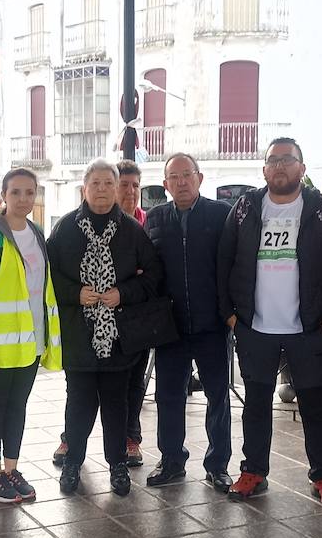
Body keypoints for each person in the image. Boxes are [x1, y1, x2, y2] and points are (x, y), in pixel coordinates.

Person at [219, 139, 322, 505]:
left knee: (315, 406)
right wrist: (231, 315)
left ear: (302, 169)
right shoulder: (245, 207)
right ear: (263, 170)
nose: (279, 166)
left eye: (287, 160)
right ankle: (253, 471)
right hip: (255, 327)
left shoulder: (321, 210)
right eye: (273, 160)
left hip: (307, 330)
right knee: (256, 404)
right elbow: (224, 261)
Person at [48, 159, 164, 497]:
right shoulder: (65, 229)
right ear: (84, 187)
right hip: (78, 335)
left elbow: (154, 275)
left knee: (117, 406)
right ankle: (73, 464)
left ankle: (117, 466)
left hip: (119, 338)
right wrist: (74, 293)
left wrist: (122, 293)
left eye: (108, 184)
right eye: (95, 183)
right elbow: (48, 277)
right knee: (79, 403)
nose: (101, 189)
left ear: (117, 189)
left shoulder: (132, 230)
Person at [0, 168, 62, 502]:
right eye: (16, 193)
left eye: (29, 192)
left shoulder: (36, 232)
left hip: (30, 343)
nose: (23, 199)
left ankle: (11, 469)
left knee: (18, 407)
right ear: (4, 195)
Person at [143, 153, 233, 490]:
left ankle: (218, 464)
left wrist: (231, 312)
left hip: (213, 324)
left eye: (187, 175)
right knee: (168, 396)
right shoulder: (154, 219)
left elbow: (233, 267)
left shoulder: (221, 215)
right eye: (174, 177)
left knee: (217, 396)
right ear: (165, 184)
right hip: (170, 327)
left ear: (199, 178)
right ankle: (171, 461)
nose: (181, 182)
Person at [116, 159, 150, 466]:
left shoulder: (148, 224)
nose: (131, 191)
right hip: (102, 316)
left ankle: (131, 437)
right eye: (124, 185)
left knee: (135, 381)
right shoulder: (100, 222)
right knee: (85, 383)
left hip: (138, 317)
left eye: (135, 185)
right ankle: (71, 437)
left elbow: (151, 270)